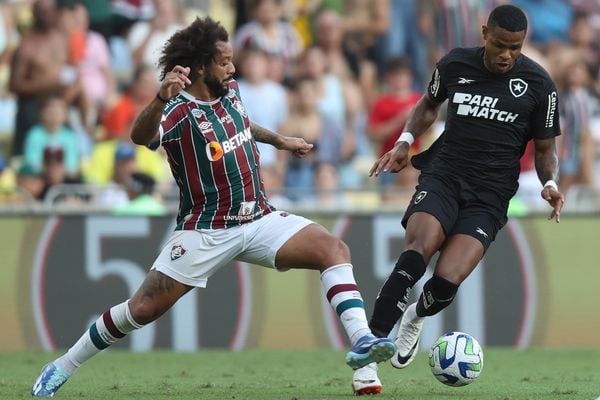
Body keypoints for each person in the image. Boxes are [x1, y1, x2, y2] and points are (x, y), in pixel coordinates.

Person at [30, 16, 396, 398]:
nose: (232, 68)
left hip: (259, 217)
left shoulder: (230, 89)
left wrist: (279, 140)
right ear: (202, 66)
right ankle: (61, 366)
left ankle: (363, 350)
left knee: (333, 249)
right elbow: (140, 137)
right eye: (224, 62)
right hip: (206, 230)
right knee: (142, 309)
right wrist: (159, 98)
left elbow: (242, 123)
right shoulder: (177, 110)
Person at [351, 4, 566, 395]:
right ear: (484, 33)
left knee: (447, 280)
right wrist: (403, 142)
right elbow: (429, 106)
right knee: (417, 251)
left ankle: (415, 316)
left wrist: (549, 181)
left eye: (515, 48)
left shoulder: (539, 85)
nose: (506, 55)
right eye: (500, 44)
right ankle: (368, 358)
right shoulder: (454, 65)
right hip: (444, 177)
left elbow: (546, 146)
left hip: (490, 196)